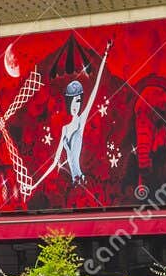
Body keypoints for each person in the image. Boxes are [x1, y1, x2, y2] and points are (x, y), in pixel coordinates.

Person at [33, 41, 111, 190]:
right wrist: (35, 185)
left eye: (79, 101)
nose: (76, 106)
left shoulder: (81, 121)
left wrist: (105, 55)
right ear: (69, 103)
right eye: (73, 102)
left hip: (81, 181)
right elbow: (55, 163)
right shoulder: (64, 129)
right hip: (73, 185)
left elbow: (95, 88)